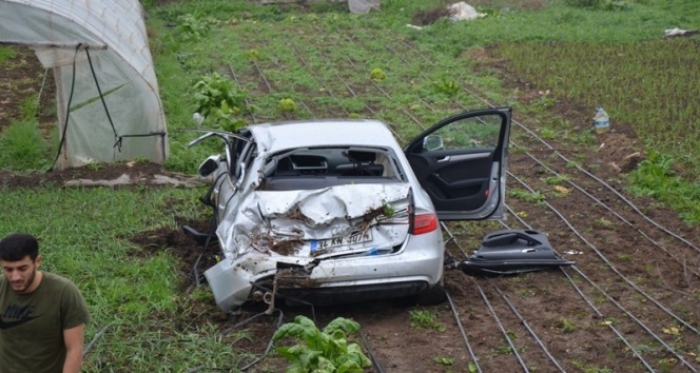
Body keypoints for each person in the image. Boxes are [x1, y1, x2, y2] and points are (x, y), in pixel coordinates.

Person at [0, 233, 90, 373]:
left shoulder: (63, 292)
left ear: (37, 262)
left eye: (22, 268)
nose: (15, 277)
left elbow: (74, 349)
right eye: (8, 269)